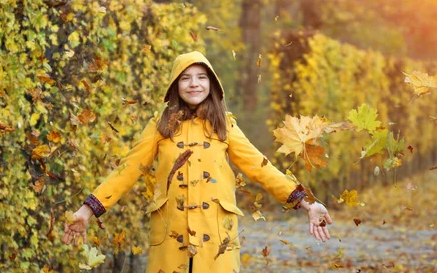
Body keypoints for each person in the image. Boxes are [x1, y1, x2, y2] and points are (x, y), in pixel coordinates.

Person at [63, 51, 332, 272]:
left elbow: (260, 167)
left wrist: (306, 203)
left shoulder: (225, 125)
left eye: (201, 77)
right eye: (186, 78)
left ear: (212, 84)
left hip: (216, 236)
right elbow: (127, 170)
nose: (194, 84)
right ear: (175, 86)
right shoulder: (159, 127)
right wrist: (87, 210)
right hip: (170, 236)